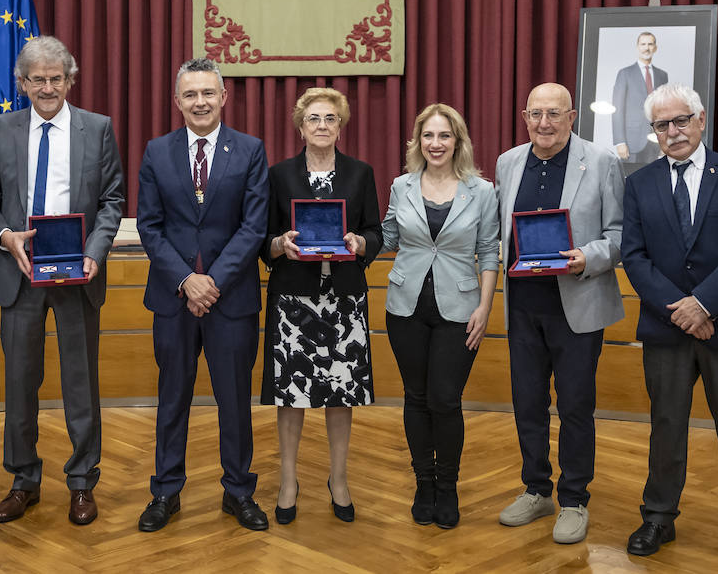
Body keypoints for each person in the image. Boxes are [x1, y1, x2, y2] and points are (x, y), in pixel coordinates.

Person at [0, 36, 126, 527]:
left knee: (81, 384)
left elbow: (112, 201)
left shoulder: (97, 128)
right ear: (22, 83)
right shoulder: (2, 127)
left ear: (69, 80)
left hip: (77, 274)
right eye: (36, 79)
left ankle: (82, 482)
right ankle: (23, 481)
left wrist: (95, 253)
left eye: (55, 79)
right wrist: (3, 237)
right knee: (20, 383)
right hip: (19, 275)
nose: (46, 87)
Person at [621, 83, 718, 572]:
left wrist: (704, 305)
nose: (672, 131)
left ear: (701, 119)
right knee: (666, 427)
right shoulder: (639, 184)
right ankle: (659, 516)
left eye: (680, 120)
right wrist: (679, 310)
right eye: (662, 125)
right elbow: (635, 257)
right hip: (666, 331)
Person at [135, 58, 270, 533]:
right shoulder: (156, 151)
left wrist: (210, 282)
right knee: (172, 398)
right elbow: (149, 227)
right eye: (190, 95)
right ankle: (166, 492)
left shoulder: (250, 150)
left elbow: (254, 226)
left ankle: (239, 492)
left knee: (234, 400)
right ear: (177, 102)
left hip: (230, 300)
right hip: (172, 299)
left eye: (208, 93)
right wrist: (185, 280)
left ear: (223, 97)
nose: (199, 102)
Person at [494, 83, 624, 544]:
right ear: (524, 116)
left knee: (574, 407)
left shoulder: (602, 161)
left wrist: (588, 257)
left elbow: (620, 233)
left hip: (577, 305)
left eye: (554, 114)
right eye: (535, 114)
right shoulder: (508, 162)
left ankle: (573, 499)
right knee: (528, 404)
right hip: (523, 307)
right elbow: (499, 234)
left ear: (572, 117)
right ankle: (536, 489)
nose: (543, 123)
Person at [260, 87, 383, 525]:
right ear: (300, 125)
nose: (322, 126)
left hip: (343, 299)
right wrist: (279, 244)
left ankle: (339, 478)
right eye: (314, 119)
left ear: (341, 125)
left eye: (330, 119)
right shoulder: (278, 175)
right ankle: (289, 480)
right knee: (290, 397)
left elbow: (375, 230)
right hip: (293, 300)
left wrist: (360, 242)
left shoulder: (360, 173)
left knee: (340, 395)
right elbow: (264, 238)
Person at [380, 103, 499, 529]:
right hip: (404, 308)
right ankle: (423, 484)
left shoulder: (481, 191)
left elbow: (488, 251)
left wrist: (485, 308)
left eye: (444, 136)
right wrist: (349, 239)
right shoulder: (401, 186)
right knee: (415, 397)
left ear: (458, 141)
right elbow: (389, 236)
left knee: (445, 399)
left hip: (460, 310)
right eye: (428, 136)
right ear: (418, 141)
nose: (435, 144)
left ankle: (447, 487)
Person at [612, 32, 668, 167]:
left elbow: (665, 110)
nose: (646, 48)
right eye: (643, 44)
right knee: (631, 182)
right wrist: (620, 142)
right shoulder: (625, 73)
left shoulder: (662, 75)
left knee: (654, 181)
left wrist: (665, 141)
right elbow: (617, 109)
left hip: (656, 140)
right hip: (632, 142)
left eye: (650, 44)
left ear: (655, 47)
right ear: (637, 47)